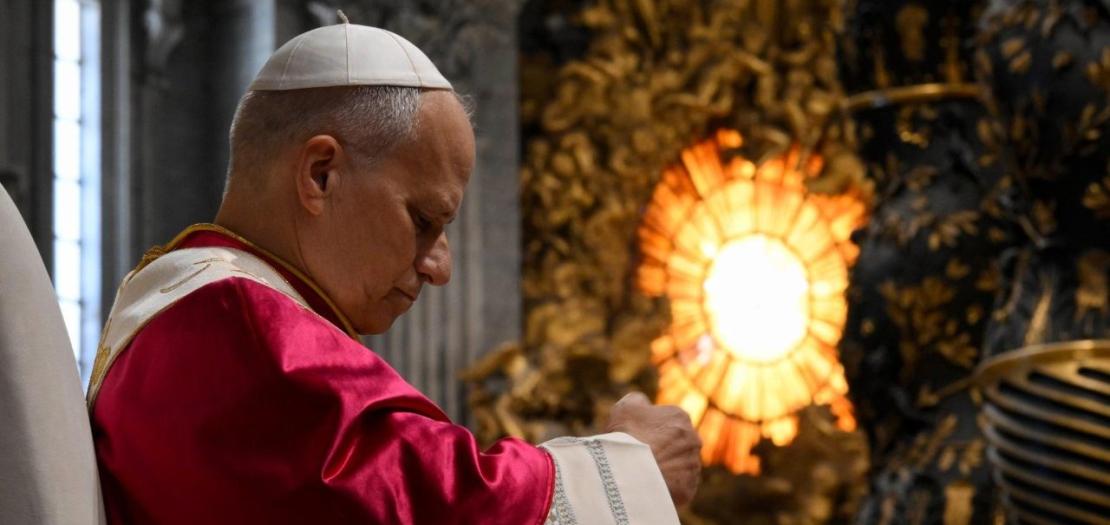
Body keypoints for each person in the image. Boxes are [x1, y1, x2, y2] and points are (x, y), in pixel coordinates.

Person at [88, 20, 701, 525]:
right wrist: (627, 470)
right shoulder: (238, 324)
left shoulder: (192, 315)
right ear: (320, 174)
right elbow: (423, 502)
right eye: (424, 220)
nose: (441, 268)